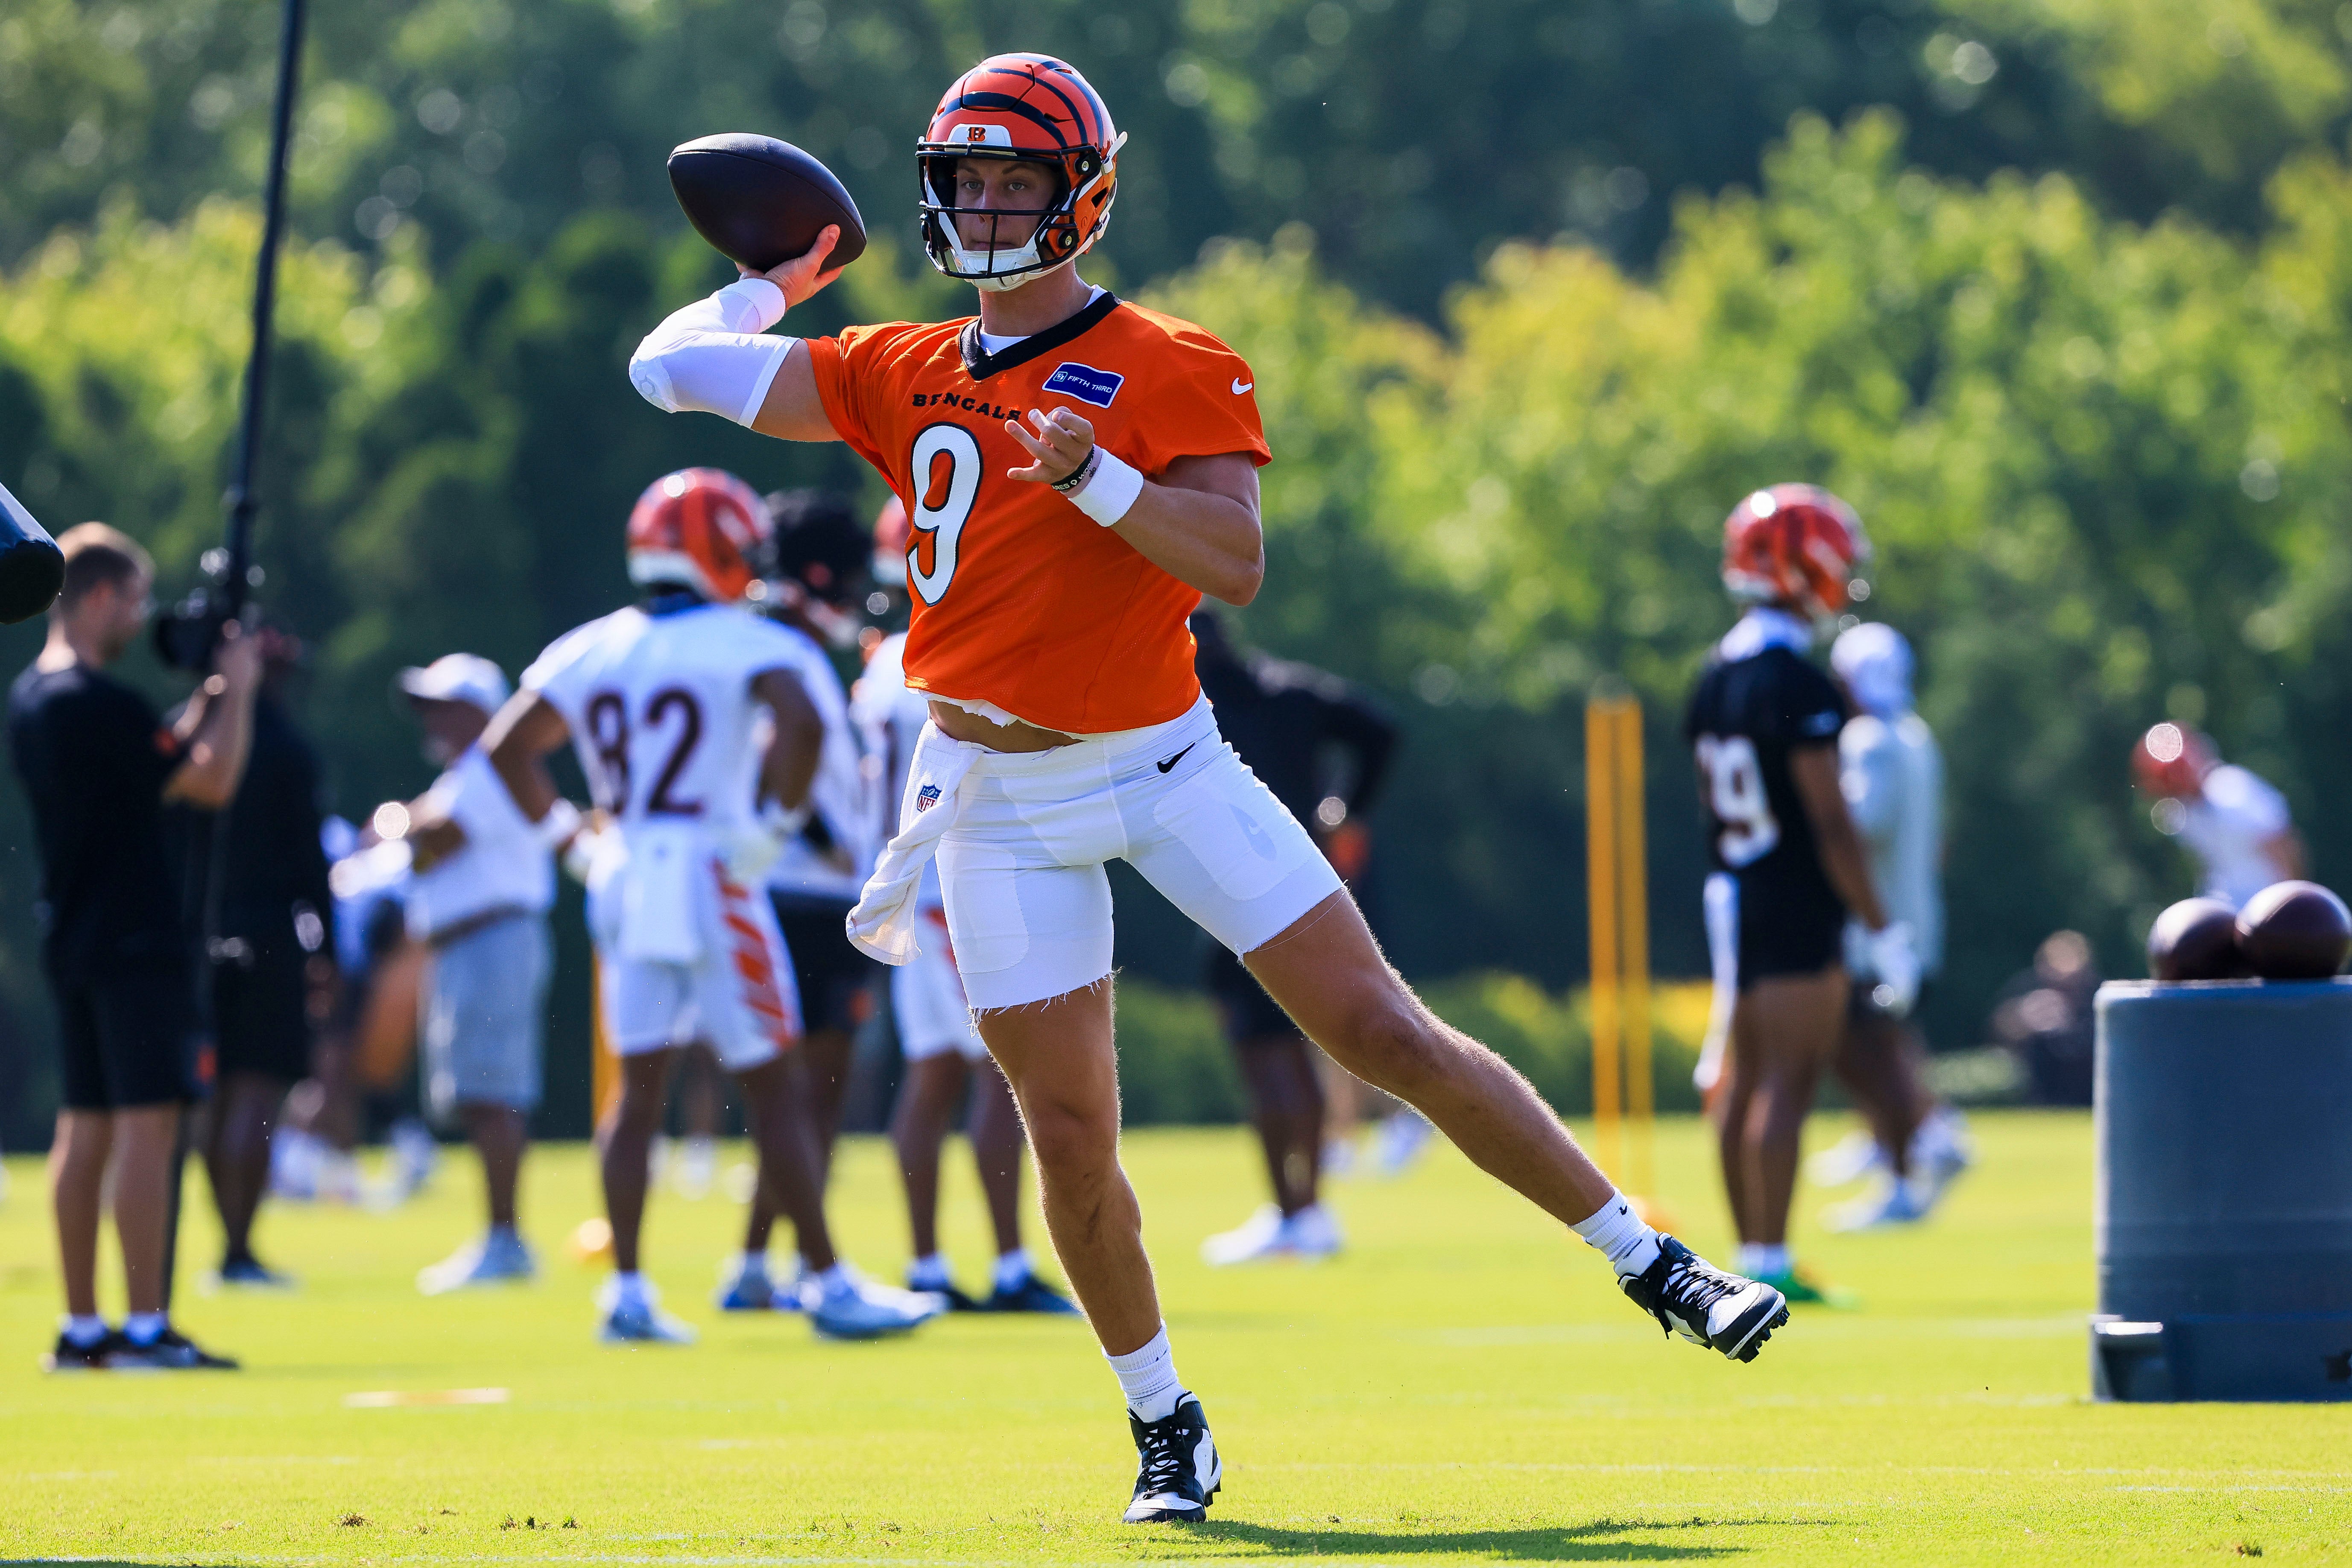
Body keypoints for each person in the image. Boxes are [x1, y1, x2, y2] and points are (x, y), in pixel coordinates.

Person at [628, 53, 1787, 1524]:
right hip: (988, 798)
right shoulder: (897, 364)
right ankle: (1163, 1420)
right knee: (1067, 1137)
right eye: (964, 180)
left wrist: (1094, 480)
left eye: (1012, 181)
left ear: (1081, 199)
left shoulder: (1170, 358)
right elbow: (662, 369)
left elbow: (1232, 560)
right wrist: (778, 280)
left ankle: (1648, 1256)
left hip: (1162, 765)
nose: (983, 206)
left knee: (1379, 1031)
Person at [481, 468, 932, 1344]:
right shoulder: (747, 642)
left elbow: (507, 749)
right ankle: (830, 1281)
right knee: (773, 1084)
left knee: (637, 1088)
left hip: (624, 867)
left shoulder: (591, 646)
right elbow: (800, 723)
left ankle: (628, 1291)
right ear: (717, 550)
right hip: (715, 868)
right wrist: (769, 829)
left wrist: (573, 844)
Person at [8, 524, 254, 1370]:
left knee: (86, 1130)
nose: (142, 619)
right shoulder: (102, 702)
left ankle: (83, 1329)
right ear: (105, 597)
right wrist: (245, 690)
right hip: (138, 938)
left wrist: (207, 702)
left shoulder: (36, 697)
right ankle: (147, 1326)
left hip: (74, 933)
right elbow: (210, 780)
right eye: (138, 599)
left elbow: (156, 761)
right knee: (150, 1130)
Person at [1684, 486, 1919, 1308]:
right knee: (1785, 1082)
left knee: (1742, 1083)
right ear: (1802, 567)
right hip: (1794, 899)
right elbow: (1829, 823)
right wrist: (1882, 926)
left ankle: (1748, 1251)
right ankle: (1769, 1259)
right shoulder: (1798, 683)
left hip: (1736, 892)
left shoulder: (1715, 675)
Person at [853, 505, 1079, 1313]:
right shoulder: (936, 649)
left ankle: (927, 1263)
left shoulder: (878, 662)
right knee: (993, 1070)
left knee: (934, 1072)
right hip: (952, 876)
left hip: (909, 876)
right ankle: (1008, 1264)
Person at [714, 491, 885, 1311]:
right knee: (807, 1097)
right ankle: (798, 1270)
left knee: (802, 1097)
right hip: (800, 891)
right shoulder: (778, 645)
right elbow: (763, 756)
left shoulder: (775, 639)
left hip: (797, 892)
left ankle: (759, 1263)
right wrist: (816, 832)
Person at [1189, 608, 1398, 1265]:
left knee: (1265, 1055)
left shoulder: (1194, 704)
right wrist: (1348, 809)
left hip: (1232, 888)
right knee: (1288, 1052)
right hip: (1305, 886)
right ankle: (1302, 1211)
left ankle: (1296, 1210)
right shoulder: (1291, 689)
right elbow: (1381, 732)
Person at [167, 624, 335, 1288]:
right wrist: (325, 946)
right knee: (255, 1099)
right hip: (268, 939)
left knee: (215, 1099)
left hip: (197, 939)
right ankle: (241, 1249)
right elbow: (309, 865)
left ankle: (226, 1248)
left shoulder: (184, 739)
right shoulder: (290, 751)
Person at [388, 653, 556, 1294]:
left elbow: (437, 838)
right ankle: (501, 1235)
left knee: (493, 1096)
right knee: (482, 1094)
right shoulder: (472, 772)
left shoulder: (489, 768)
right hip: (475, 942)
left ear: (478, 711)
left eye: (443, 704)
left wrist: (401, 826)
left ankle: (506, 1238)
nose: (430, 718)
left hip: (493, 936)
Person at [1807, 622, 1972, 1231]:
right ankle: (1904, 1143)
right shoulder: (1915, 735)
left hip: (1875, 927)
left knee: (1866, 1050)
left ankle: (1910, 1161)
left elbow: (1857, 826)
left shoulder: (1871, 741)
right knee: (1883, 1046)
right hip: (1915, 916)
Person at [2133, 723, 2304, 910]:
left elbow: (2283, 846)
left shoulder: (2233, 789)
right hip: (2224, 906)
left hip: (2267, 905)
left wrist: (2294, 904)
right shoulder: (2180, 816)